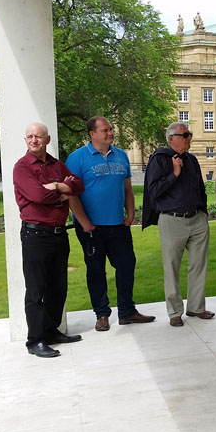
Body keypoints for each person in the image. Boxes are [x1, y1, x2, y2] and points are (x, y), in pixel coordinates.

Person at [66, 116, 155, 332]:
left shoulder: (121, 155)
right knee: (96, 270)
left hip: (118, 225)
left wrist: (131, 214)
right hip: (91, 228)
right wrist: (84, 222)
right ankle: (102, 314)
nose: (110, 133)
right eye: (105, 130)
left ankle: (127, 311)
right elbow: (70, 194)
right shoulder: (77, 158)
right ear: (92, 134)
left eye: (111, 129)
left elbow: (127, 188)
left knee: (126, 266)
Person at [13, 122, 85, 358]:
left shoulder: (57, 165)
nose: (34, 140)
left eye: (38, 136)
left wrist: (56, 185)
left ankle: (51, 331)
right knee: (36, 290)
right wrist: (62, 194)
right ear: (26, 140)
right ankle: (35, 341)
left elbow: (78, 185)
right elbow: (37, 195)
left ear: (48, 139)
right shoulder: (22, 167)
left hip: (58, 235)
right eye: (29, 137)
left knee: (57, 288)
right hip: (35, 236)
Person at [142, 122, 213, 327]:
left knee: (199, 265)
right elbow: (153, 192)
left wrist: (203, 212)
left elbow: (200, 188)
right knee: (171, 267)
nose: (189, 138)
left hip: (197, 220)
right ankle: (175, 312)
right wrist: (174, 174)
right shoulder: (159, 159)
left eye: (189, 134)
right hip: (172, 220)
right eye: (185, 135)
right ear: (171, 138)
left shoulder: (192, 160)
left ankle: (196, 307)